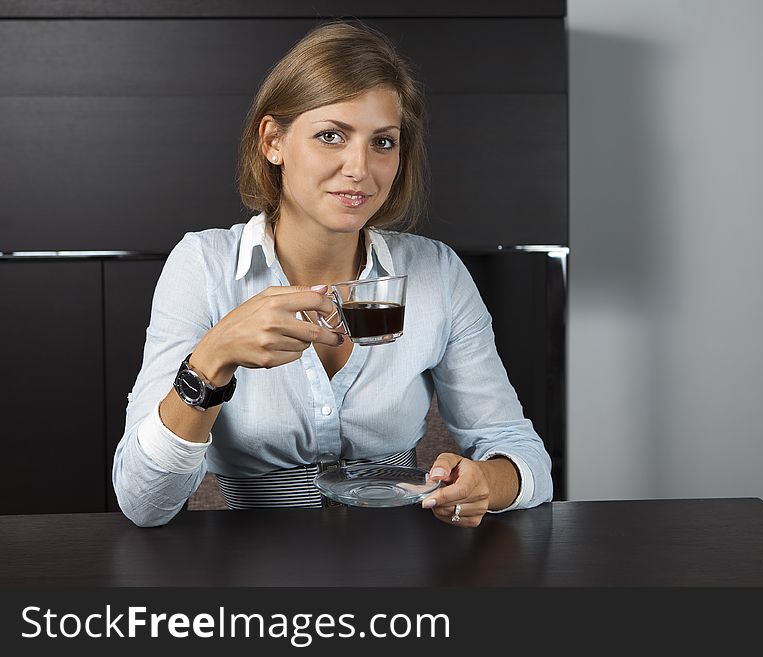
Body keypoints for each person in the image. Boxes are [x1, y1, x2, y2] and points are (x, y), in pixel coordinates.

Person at [112, 21, 553, 528]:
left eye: (383, 142)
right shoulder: (204, 266)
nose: (359, 168)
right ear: (273, 141)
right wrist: (210, 362)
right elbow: (143, 504)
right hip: (257, 579)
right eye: (330, 136)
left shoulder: (437, 272)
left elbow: (523, 454)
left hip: (402, 567)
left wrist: (486, 483)